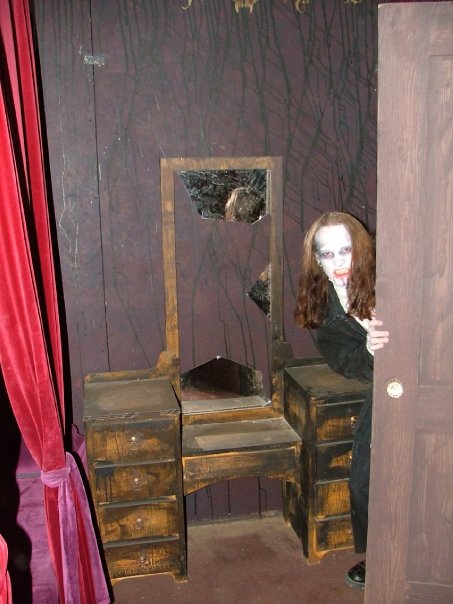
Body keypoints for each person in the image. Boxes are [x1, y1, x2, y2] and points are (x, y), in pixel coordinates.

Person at [294, 211, 389, 590]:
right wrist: (370, 350)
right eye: (328, 254)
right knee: (365, 479)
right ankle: (379, 553)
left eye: (346, 250)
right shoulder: (321, 306)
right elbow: (346, 364)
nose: (338, 262)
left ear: (362, 248)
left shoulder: (389, 273)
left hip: (431, 380)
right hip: (385, 387)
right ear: (317, 259)